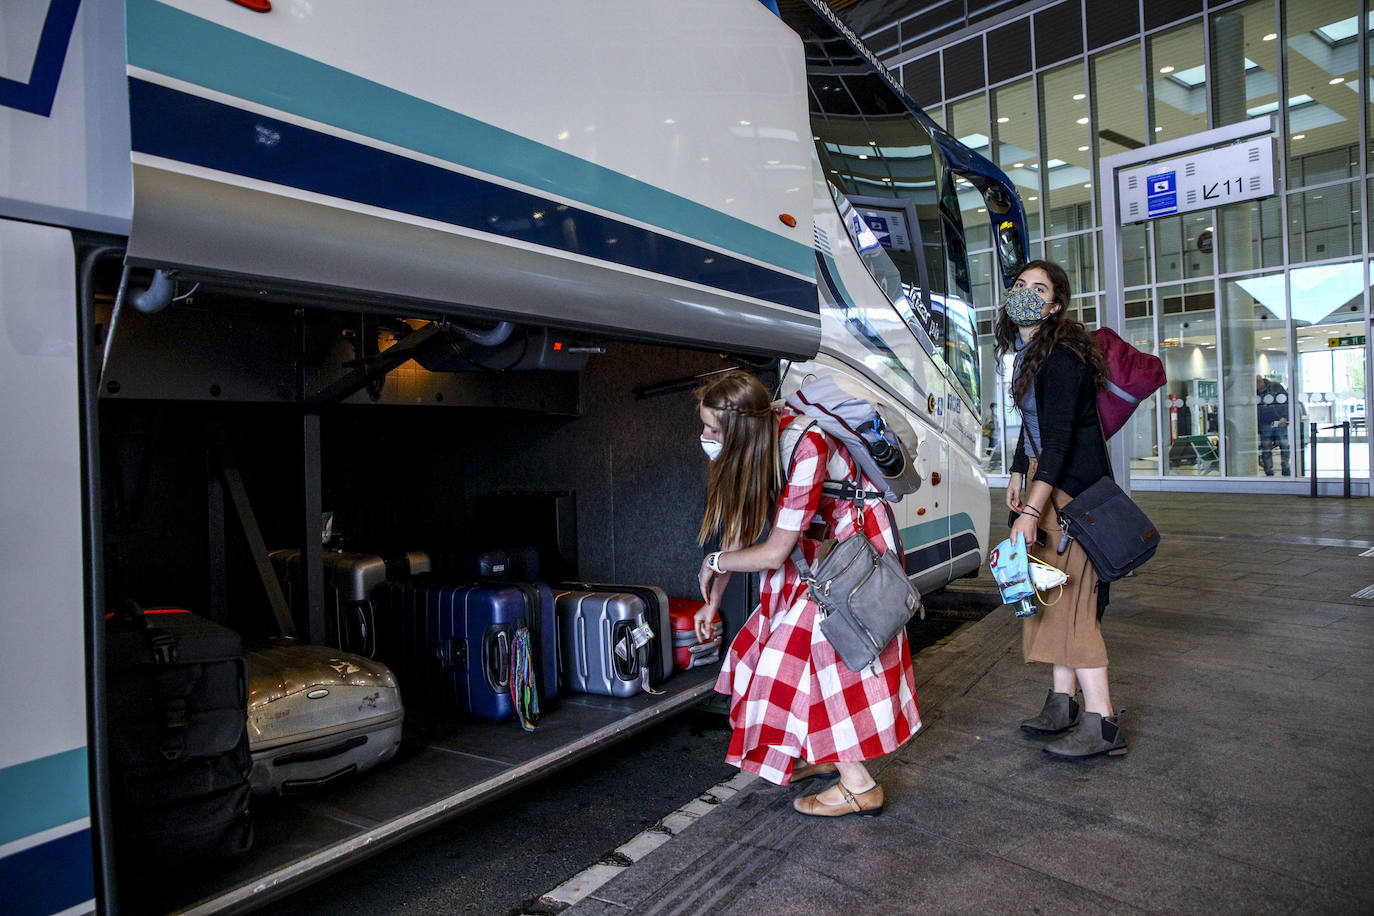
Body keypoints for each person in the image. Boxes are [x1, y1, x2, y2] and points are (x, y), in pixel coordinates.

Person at [692, 371, 919, 816]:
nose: (704, 437)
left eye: (712, 429)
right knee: (787, 657)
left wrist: (713, 563)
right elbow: (740, 533)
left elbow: (773, 551)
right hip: (816, 549)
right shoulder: (758, 444)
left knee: (809, 661)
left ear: (740, 430)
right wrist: (712, 599)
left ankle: (860, 786)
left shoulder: (805, 443)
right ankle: (819, 753)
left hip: (853, 551)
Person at [997, 260, 1127, 759]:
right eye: (1020, 286)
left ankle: (1104, 722)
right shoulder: (1031, 352)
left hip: (1070, 493)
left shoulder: (1064, 354)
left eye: (1039, 289)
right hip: (1045, 482)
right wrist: (1016, 472)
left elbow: (1059, 438)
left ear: (1055, 305)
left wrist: (1033, 510)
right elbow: (1035, 426)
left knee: (1074, 607)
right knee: (1050, 595)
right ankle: (1062, 702)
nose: (1026, 293)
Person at [1256, 375, 1291, 476]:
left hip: (1279, 421)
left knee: (1284, 445)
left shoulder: (1276, 387)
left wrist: (1285, 417)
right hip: (1265, 423)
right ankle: (1269, 470)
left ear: (1262, 381)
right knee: (1266, 448)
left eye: (1258, 382)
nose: (1257, 385)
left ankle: (1286, 468)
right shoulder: (1254, 392)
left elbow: (1286, 402)